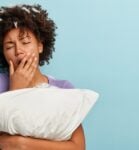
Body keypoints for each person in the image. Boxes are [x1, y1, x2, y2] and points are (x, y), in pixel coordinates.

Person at [0, 4, 85, 150]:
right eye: (9, 47)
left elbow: (78, 147)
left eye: (25, 42)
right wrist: (16, 91)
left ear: (40, 46)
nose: (18, 51)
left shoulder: (63, 89)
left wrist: (22, 144)